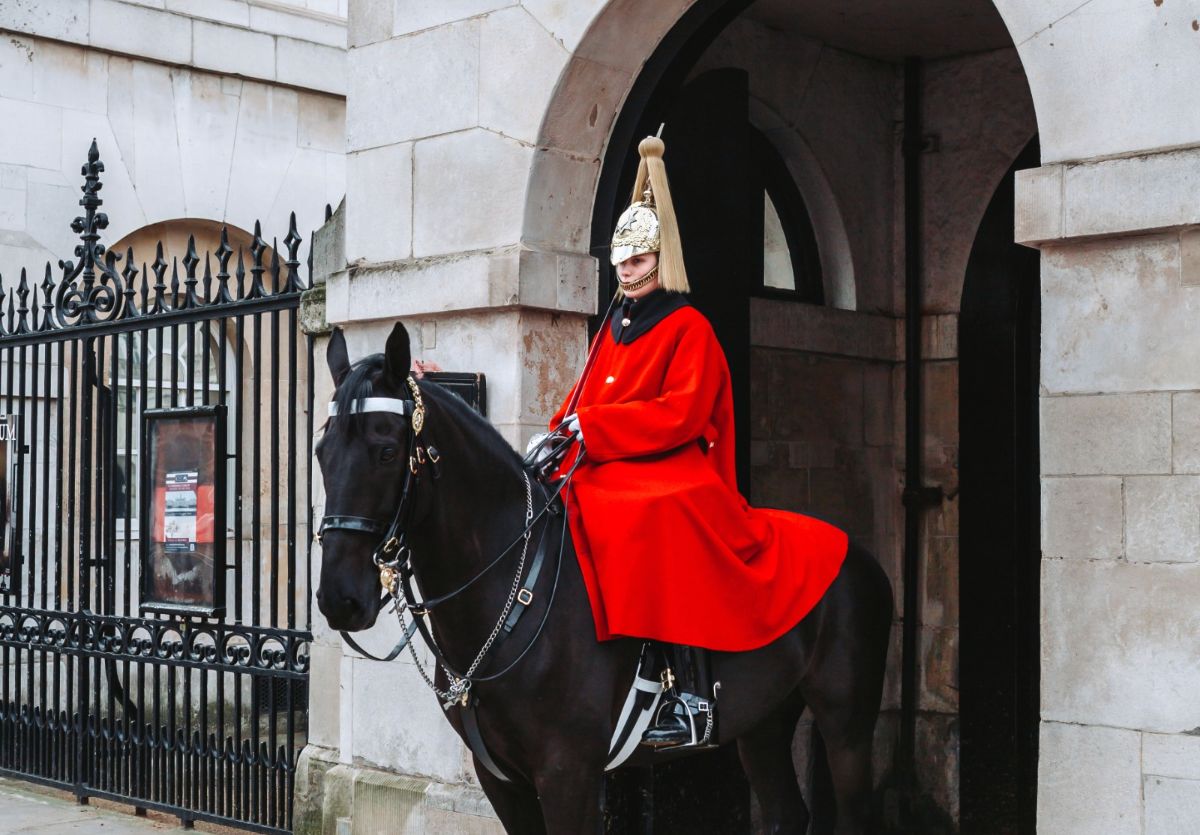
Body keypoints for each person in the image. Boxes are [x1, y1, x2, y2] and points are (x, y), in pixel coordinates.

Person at [548, 135, 849, 748]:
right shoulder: (614, 325)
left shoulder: (690, 328)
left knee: (655, 508)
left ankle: (681, 682)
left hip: (677, 465)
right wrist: (558, 435)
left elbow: (682, 414)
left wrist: (598, 430)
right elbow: (584, 398)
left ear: (661, 260)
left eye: (636, 263)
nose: (625, 275)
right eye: (620, 265)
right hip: (611, 459)